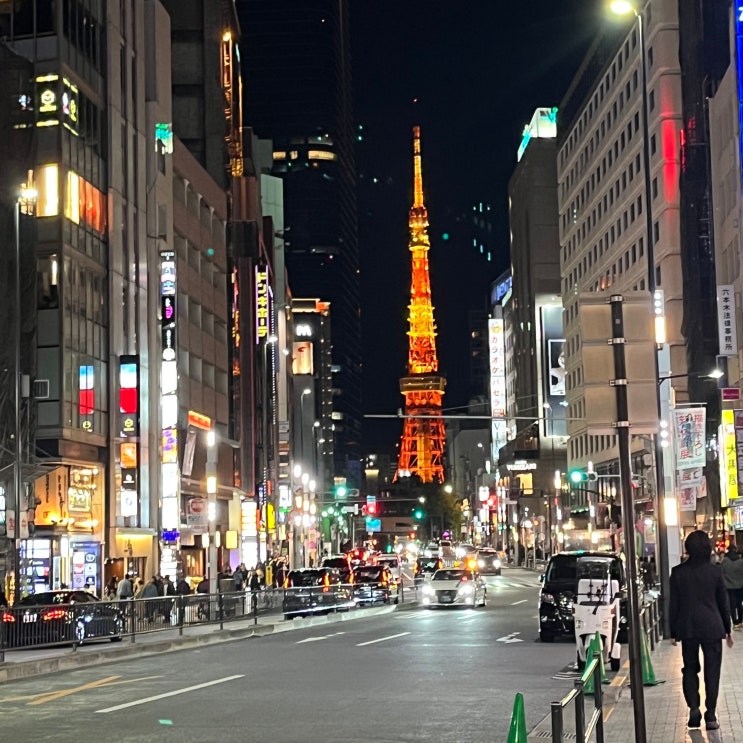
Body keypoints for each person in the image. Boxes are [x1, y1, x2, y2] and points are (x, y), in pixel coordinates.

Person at [669, 530, 734, 731]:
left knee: (689, 668)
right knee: (712, 671)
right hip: (712, 627)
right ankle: (711, 715)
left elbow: (674, 604)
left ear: (687, 548)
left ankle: (694, 708)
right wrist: (727, 628)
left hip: (687, 627)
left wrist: (673, 630)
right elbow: (723, 602)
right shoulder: (715, 571)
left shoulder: (678, 572)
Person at [720, 544, 743, 630]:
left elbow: (721, 572)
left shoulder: (725, 560)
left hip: (729, 586)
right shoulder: (741, 561)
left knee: (732, 605)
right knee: (739, 604)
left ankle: (735, 622)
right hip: (740, 585)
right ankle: (740, 621)